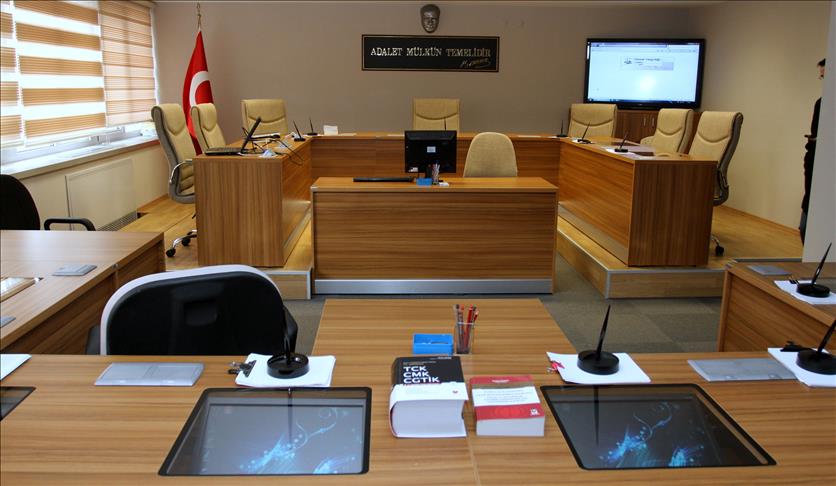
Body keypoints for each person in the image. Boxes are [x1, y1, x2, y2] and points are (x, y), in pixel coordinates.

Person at [800, 58, 825, 243]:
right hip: (814, 162)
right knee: (805, 228)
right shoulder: (821, 103)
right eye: (822, 77)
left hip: (821, 169)